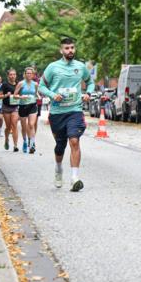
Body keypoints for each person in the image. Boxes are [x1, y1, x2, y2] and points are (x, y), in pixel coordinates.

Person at [40, 38, 93, 190]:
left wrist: (88, 93)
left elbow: (90, 82)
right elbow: (41, 87)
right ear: (61, 50)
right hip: (57, 113)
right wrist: (52, 95)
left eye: (72, 48)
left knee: (74, 141)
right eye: (67, 48)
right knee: (60, 146)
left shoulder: (81, 66)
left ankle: (74, 178)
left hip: (75, 110)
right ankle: (58, 169)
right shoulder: (53, 67)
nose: (70, 50)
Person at [15, 67, 39, 154]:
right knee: (24, 126)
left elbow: (36, 93)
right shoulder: (21, 84)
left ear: (33, 75)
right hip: (22, 106)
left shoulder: (35, 84)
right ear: (25, 74)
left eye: (30, 73)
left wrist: (38, 96)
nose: (29, 74)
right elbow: (15, 95)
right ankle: (25, 141)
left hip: (32, 105)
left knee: (31, 124)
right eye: (27, 73)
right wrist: (21, 97)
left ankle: (32, 144)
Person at [0, 69, 20, 150]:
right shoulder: (5, 84)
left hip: (15, 107)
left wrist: (19, 96)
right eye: (11, 74)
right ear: (8, 76)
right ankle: (6, 139)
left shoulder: (18, 84)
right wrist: (6, 95)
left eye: (14, 74)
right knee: (8, 127)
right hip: (6, 107)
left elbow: (21, 94)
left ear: (16, 75)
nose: (12, 76)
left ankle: (15, 145)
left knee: (14, 125)